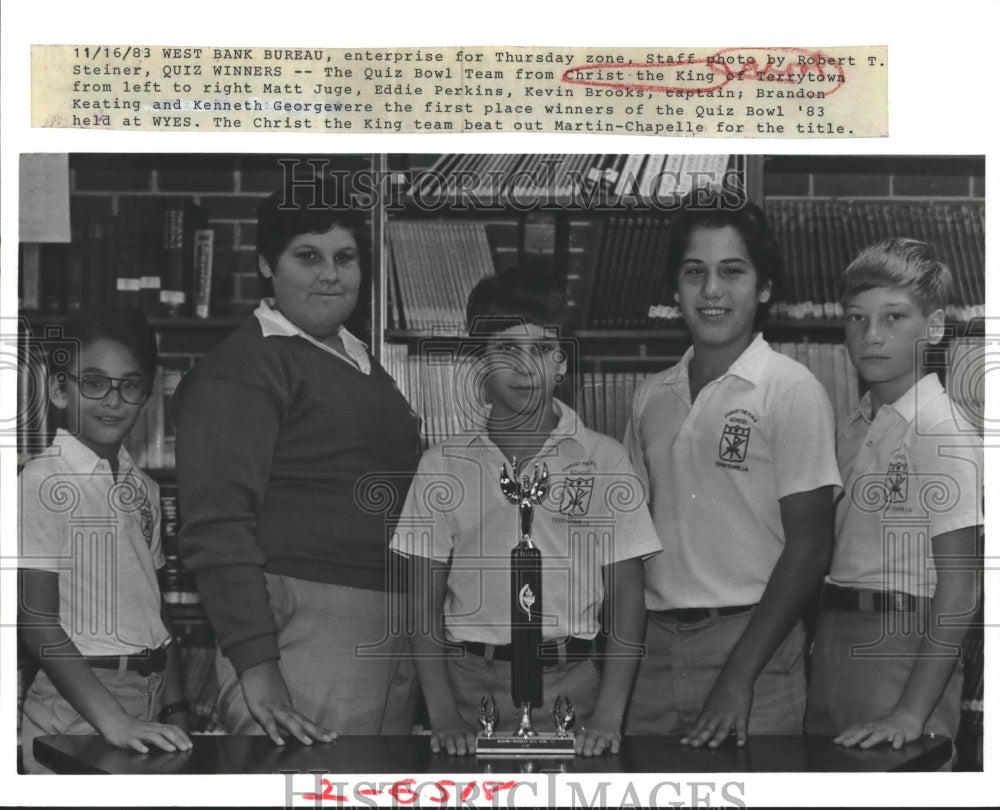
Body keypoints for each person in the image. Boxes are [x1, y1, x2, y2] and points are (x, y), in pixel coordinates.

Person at [175, 185, 421, 745]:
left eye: (345, 257)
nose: (330, 275)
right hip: (304, 635)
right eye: (307, 256)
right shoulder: (245, 367)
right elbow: (216, 527)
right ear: (267, 265)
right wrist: (259, 669)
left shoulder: (356, 357)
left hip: (386, 625)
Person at [391, 266, 661, 757]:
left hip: (575, 684)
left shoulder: (603, 459)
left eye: (539, 350)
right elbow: (421, 605)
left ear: (561, 363)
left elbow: (627, 598)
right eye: (505, 350)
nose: (523, 368)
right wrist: (443, 713)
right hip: (470, 684)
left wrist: (608, 714)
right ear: (478, 363)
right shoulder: (441, 466)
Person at [624, 195, 841, 747]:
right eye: (694, 272)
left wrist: (738, 676)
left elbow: (811, 547)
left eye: (732, 272)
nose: (712, 291)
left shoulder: (790, 390)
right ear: (675, 289)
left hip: (755, 649)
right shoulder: (651, 396)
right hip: (651, 652)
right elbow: (628, 540)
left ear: (763, 287)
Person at [805, 238, 982, 754]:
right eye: (857, 319)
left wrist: (910, 710)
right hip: (834, 636)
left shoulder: (940, 430)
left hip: (900, 647)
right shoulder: (853, 426)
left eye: (894, 318)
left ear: (934, 327)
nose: (871, 336)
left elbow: (963, 587)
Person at [18, 308, 193, 773]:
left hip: (148, 697)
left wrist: (176, 707)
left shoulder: (145, 490)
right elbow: (37, 623)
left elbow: (156, 609)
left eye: (130, 385)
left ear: (146, 398)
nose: (113, 400)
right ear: (59, 390)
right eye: (93, 382)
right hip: (79, 705)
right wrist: (114, 721)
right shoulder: (42, 480)